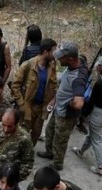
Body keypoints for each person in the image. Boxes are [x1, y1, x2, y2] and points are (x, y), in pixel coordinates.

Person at [36, 41, 87, 171]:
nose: (57, 59)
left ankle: (57, 164)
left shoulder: (78, 78)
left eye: (61, 57)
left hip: (66, 115)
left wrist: (67, 102)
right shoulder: (76, 62)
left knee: (60, 140)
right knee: (49, 131)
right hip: (58, 109)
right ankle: (50, 152)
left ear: (70, 58)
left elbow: (78, 103)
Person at [72, 53, 102, 176]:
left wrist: (83, 115)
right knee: (92, 136)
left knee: (97, 140)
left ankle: (100, 167)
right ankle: (81, 151)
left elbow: (91, 102)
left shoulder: (100, 84)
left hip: (98, 114)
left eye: (99, 66)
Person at [11, 38, 58, 144]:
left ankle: (28, 156)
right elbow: (15, 86)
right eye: (53, 51)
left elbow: (54, 86)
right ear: (46, 52)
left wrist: (52, 100)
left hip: (41, 109)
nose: (55, 54)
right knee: (21, 136)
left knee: (35, 135)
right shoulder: (27, 65)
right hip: (27, 108)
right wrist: (21, 104)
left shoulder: (52, 67)